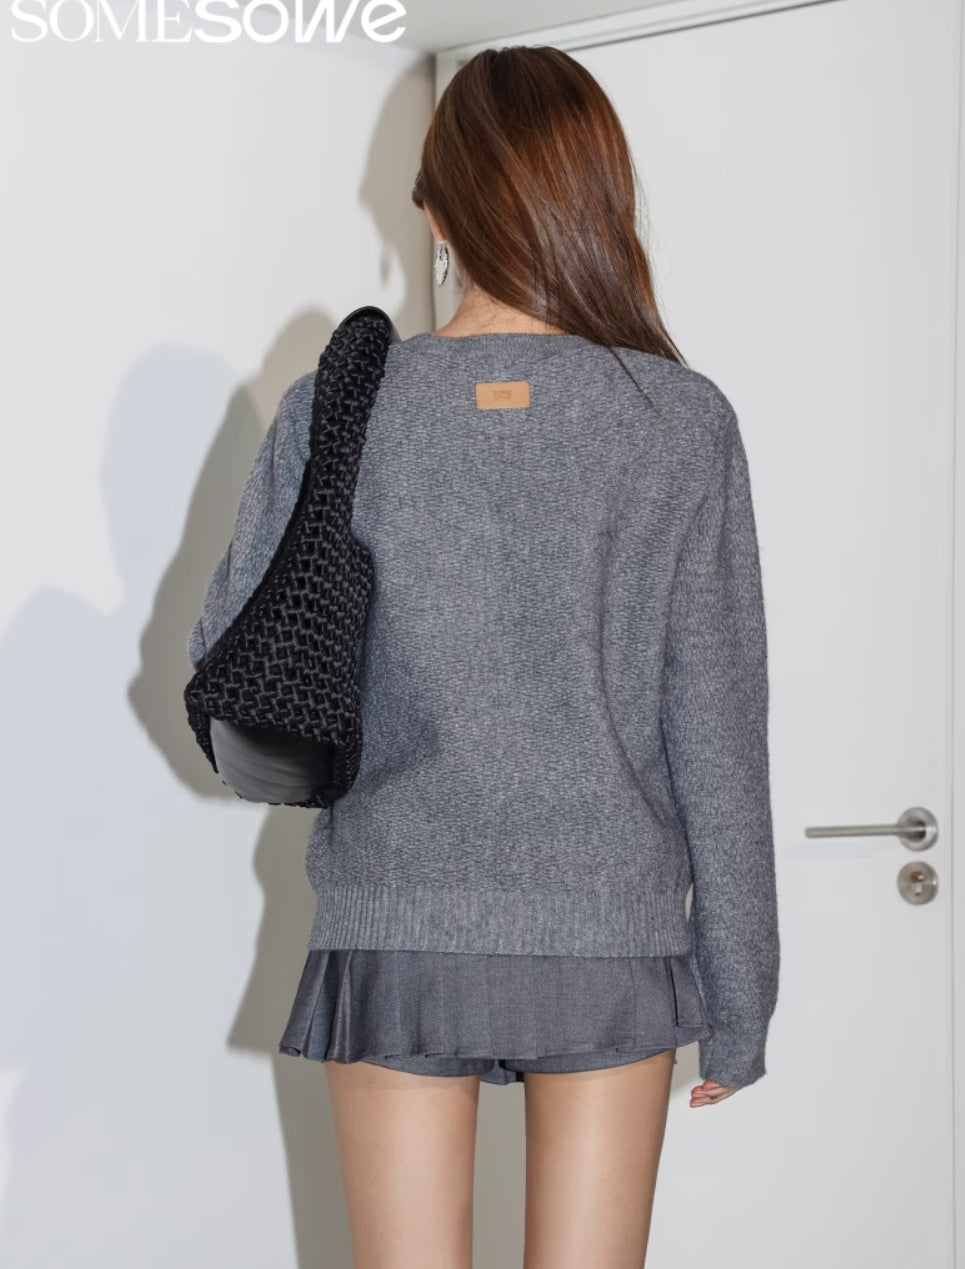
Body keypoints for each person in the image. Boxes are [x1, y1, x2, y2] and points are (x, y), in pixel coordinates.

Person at [187, 44, 780, 1269]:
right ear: (597, 201)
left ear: (436, 210)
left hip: (394, 926)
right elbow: (717, 735)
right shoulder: (678, 422)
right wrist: (739, 998)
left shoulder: (340, 408)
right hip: (609, 937)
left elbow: (229, 659)